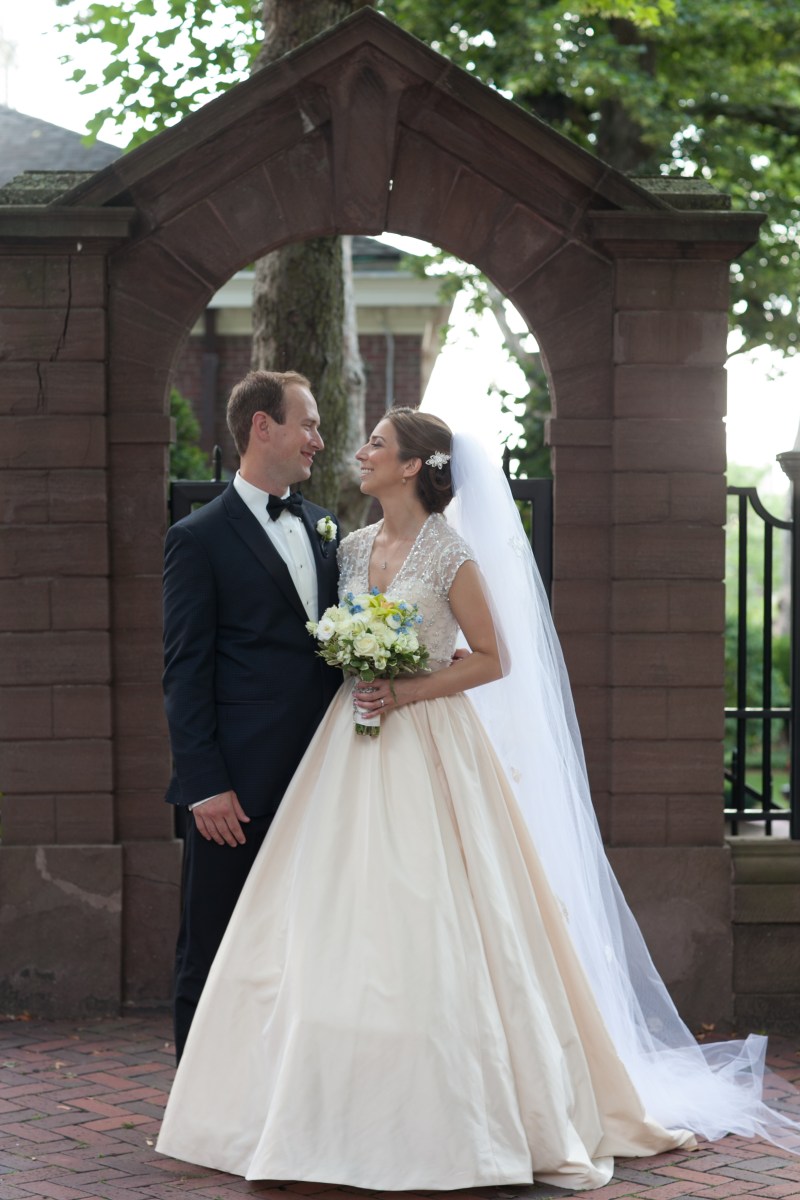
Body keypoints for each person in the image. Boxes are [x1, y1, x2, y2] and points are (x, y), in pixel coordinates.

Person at [157, 408, 799, 1189]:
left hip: (430, 746)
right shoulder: (348, 544)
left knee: (440, 921)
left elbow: (494, 659)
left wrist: (410, 686)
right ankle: (312, 1109)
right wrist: (360, 672)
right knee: (329, 923)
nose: (359, 452)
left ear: (415, 465)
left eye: (377, 445)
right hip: (344, 750)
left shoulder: (451, 553)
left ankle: (460, 1113)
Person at [162, 369, 341, 1061]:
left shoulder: (324, 526)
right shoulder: (197, 539)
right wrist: (204, 783)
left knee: (306, 941)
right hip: (235, 790)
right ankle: (197, 1100)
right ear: (262, 426)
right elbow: (185, 669)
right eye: (308, 423)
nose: (318, 441)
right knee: (212, 940)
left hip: (326, 778)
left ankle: (286, 1088)